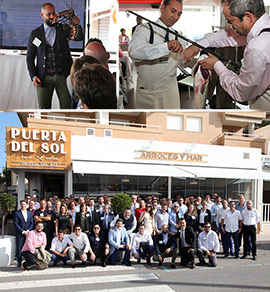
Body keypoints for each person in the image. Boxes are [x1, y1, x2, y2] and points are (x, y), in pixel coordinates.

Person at [183, 0, 270, 110]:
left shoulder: (257, 49)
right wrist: (198, 45)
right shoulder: (263, 27)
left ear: (248, 17)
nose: (229, 26)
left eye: (230, 20)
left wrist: (216, 65)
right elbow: (229, 36)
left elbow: (240, 92)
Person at [129, 0, 192, 109]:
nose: (176, 17)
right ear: (162, 8)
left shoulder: (178, 36)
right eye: (173, 11)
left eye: (179, 14)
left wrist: (194, 59)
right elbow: (134, 51)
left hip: (170, 91)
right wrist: (165, 47)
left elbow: (183, 62)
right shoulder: (144, 29)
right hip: (147, 92)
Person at [26, 2, 83, 109]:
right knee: (43, 109)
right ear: (42, 16)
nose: (52, 16)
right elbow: (30, 58)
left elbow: (79, 38)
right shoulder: (35, 34)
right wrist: (34, 76)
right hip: (43, 78)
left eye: (54, 13)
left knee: (67, 107)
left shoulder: (63, 28)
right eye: (49, 14)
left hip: (63, 76)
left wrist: (77, 25)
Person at [13, 200, 34, 267]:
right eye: (22, 204)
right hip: (20, 233)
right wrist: (22, 231)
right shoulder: (17, 213)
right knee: (19, 248)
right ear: (20, 205)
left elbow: (32, 223)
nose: (23, 206)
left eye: (24, 204)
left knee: (28, 247)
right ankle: (19, 261)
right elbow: (16, 224)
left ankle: (28, 260)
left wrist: (28, 230)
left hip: (28, 233)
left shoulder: (29, 213)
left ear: (26, 205)